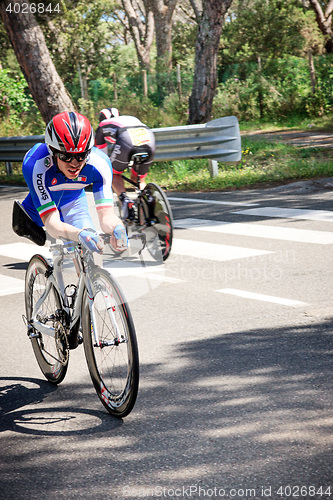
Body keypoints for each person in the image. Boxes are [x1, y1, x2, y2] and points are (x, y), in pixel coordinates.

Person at [17, 111, 127, 254]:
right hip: (36, 210)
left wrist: (118, 227)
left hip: (73, 203)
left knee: (92, 253)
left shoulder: (100, 164)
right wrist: (78, 234)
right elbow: (52, 223)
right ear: (52, 151)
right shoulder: (35, 163)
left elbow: (107, 217)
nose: (75, 163)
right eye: (66, 156)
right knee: (72, 238)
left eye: (81, 156)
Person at [95, 107, 156, 221]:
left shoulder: (103, 125)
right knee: (138, 179)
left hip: (126, 138)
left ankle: (125, 200)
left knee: (113, 173)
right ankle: (147, 199)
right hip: (149, 137)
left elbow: (101, 156)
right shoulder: (128, 119)